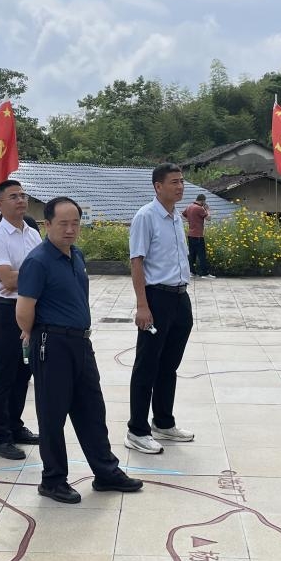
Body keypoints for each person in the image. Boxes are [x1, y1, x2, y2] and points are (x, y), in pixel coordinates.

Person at [17, 196, 142, 504]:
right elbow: (24, 310)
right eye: (63, 224)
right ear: (48, 224)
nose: (70, 229)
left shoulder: (77, 255)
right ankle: (53, 479)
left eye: (75, 223)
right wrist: (35, 335)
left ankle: (106, 472)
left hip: (81, 343)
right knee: (53, 414)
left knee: (92, 409)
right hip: (51, 343)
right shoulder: (37, 261)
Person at [125, 163, 196, 454]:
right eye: (174, 182)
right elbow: (136, 261)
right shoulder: (146, 216)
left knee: (169, 365)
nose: (180, 186)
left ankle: (163, 422)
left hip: (180, 297)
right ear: (158, 186)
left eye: (182, 181)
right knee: (147, 365)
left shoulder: (177, 216)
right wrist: (142, 305)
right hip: (156, 298)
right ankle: (137, 430)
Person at [0, 179, 43, 461]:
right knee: (4, 374)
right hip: (6, 311)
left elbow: (45, 270)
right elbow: (7, 280)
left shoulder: (32, 233)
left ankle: (15, 426)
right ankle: (0, 437)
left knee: (24, 372)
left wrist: (24, 279)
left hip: (31, 307)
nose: (21, 200)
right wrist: (29, 278)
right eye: (13, 196)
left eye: (23, 195)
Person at [181, 193, 214, 278]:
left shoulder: (189, 207)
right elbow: (209, 218)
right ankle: (204, 273)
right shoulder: (199, 208)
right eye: (204, 201)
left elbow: (182, 215)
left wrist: (190, 221)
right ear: (202, 200)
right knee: (202, 254)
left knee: (192, 254)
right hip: (198, 235)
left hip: (190, 234)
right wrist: (207, 209)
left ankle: (192, 272)